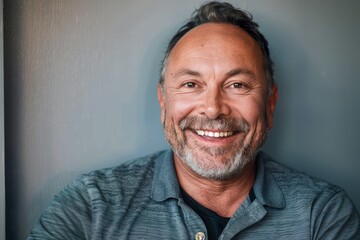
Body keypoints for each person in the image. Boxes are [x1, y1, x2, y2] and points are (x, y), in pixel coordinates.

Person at [28, 2, 359, 239]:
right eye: (191, 84)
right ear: (163, 101)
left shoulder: (323, 214)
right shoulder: (91, 207)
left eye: (237, 85)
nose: (213, 109)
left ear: (270, 104)